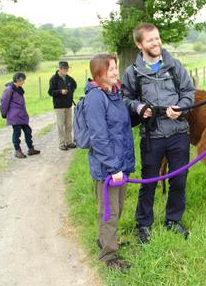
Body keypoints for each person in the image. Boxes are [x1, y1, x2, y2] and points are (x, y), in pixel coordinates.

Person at [122, 23, 195, 244]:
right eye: (150, 40)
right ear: (139, 44)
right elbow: (126, 98)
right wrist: (139, 108)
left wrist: (181, 108)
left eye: (157, 38)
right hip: (151, 136)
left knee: (179, 180)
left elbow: (188, 93)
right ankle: (144, 224)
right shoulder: (132, 72)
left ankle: (173, 220)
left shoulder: (175, 66)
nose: (156, 43)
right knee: (149, 181)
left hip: (178, 133)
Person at [84, 54, 135, 271]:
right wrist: (113, 168)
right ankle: (108, 257)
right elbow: (99, 137)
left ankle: (106, 240)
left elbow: (122, 128)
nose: (115, 72)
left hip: (120, 164)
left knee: (117, 207)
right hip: (108, 168)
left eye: (115, 68)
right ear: (98, 73)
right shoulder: (96, 98)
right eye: (111, 69)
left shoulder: (114, 94)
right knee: (109, 211)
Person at [0, 72, 41, 158]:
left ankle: (31, 149)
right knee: (17, 133)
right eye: (23, 80)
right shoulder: (9, 89)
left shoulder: (19, 88)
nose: (24, 82)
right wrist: (4, 114)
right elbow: (4, 102)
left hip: (21, 115)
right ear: (18, 80)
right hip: (14, 116)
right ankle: (17, 151)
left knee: (28, 131)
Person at [48, 61, 77, 150]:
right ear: (60, 69)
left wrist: (70, 92)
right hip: (59, 106)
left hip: (68, 104)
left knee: (69, 124)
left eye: (67, 68)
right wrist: (60, 91)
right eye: (65, 69)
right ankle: (61, 143)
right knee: (61, 125)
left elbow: (74, 85)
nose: (66, 70)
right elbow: (50, 92)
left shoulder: (69, 78)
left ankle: (69, 142)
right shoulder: (54, 79)